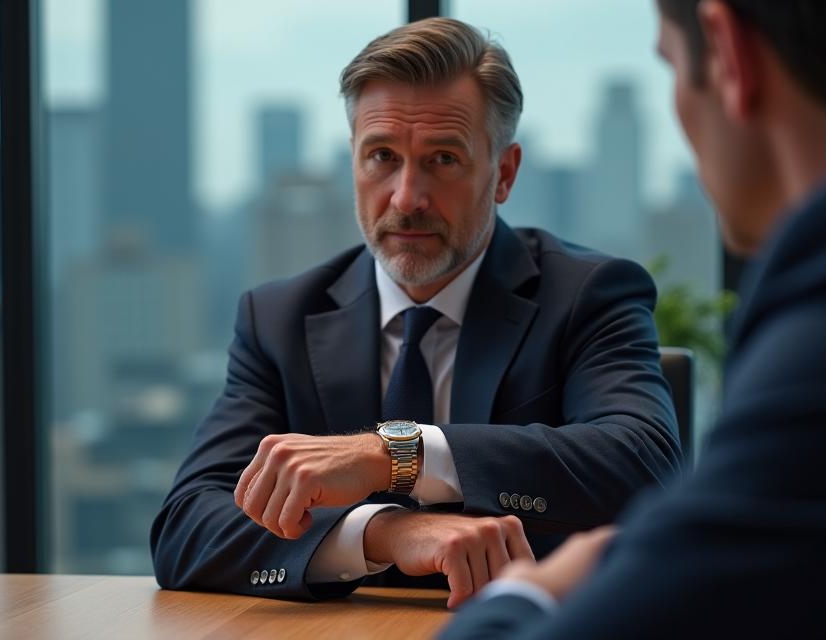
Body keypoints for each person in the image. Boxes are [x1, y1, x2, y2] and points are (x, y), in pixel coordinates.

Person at [150, 17, 681, 607]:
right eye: (381, 156)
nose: (406, 198)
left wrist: (396, 454)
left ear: (503, 173)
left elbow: (643, 465)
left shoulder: (589, 293)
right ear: (352, 162)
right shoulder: (278, 317)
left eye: (444, 159)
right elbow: (188, 526)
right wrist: (383, 531)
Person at [440, 0, 826, 637]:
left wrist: (526, 595)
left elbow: (658, 489)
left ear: (727, 51)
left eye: (672, 68)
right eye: (380, 156)